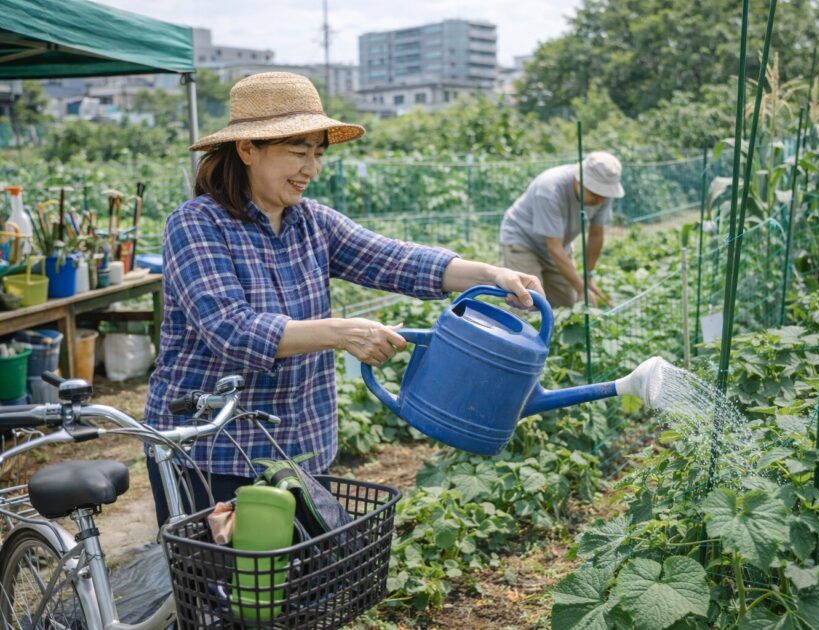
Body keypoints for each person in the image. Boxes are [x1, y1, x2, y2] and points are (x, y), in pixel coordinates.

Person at [144, 72, 543, 525]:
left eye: (317, 154)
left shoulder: (312, 222)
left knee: (303, 585)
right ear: (247, 149)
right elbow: (231, 331)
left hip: (301, 445)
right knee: (222, 589)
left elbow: (396, 260)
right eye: (297, 152)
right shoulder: (197, 225)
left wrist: (491, 273)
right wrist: (343, 333)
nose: (310, 169)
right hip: (214, 450)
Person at [499, 151, 624, 307]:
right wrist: (581, 288)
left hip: (558, 245)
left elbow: (596, 234)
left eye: (604, 195)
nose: (600, 200)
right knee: (527, 301)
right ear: (579, 180)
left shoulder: (603, 195)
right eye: (594, 193)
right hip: (522, 240)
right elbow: (554, 248)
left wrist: (587, 276)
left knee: (566, 306)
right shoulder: (549, 189)